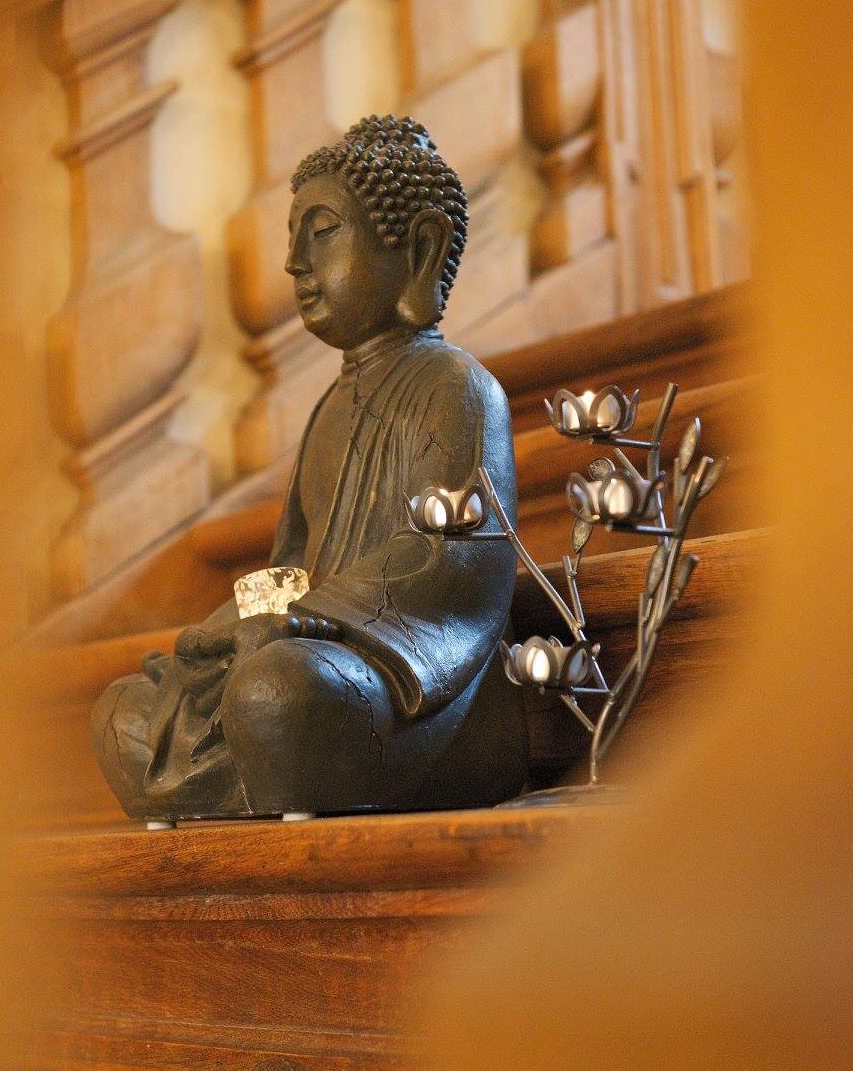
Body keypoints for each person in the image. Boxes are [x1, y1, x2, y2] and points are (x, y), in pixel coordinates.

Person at [91, 115, 527, 818]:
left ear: (420, 249)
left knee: (280, 693)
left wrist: (306, 621)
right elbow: (292, 566)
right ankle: (260, 776)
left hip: (416, 682)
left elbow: (455, 566)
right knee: (126, 712)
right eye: (293, 236)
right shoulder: (329, 408)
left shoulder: (459, 388)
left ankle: (286, 772)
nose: (294, 262)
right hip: (309, 647)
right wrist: (226, 625)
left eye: (322, 232)